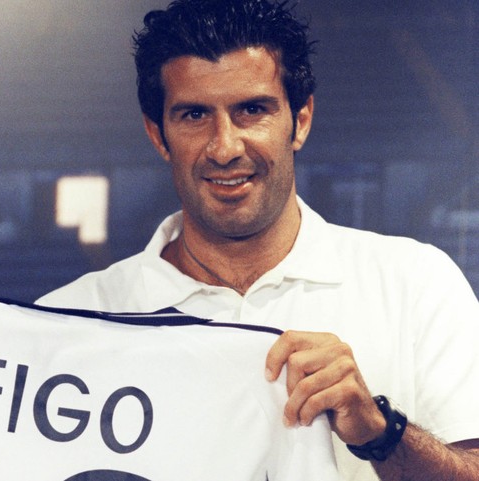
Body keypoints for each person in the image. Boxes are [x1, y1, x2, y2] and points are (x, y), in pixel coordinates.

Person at [38, 0, 479, 479]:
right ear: (158, 135)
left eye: (252, 109)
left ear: (301, 119)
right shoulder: (65, 325)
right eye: (193, 115)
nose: (225, 147)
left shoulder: (415, 284)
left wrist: (380, 432)